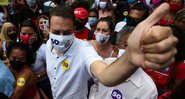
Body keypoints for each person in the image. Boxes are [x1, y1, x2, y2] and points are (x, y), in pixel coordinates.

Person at [46, 3, 177, 98]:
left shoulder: (83, 49)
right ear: (48, 29)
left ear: (74, 28)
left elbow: (105, 75)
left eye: (67, 32)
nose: (61, 38)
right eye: (56, 32)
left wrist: (131, 58)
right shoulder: (47, 45)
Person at [19, 20, 52, 98]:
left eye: (30, 34)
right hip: (27, 85)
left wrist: (38, 77)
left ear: (35, 33)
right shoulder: (19, 47)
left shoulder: (43, 48)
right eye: (23, 34)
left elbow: (52, 66)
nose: (26, 36)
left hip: (43, 84)